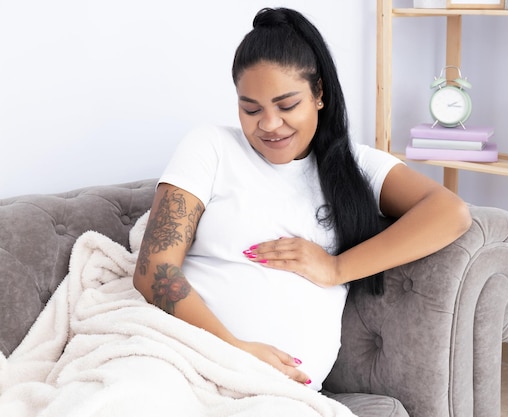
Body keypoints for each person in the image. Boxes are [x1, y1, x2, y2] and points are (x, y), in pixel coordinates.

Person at [133, 6, 471, 415]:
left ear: (319, 93)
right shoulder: (210, 147)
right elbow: (155, 269)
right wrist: (236, 351)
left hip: (284, 392)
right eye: (251, 109)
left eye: (287, 104)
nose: (269, 124)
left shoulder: (357, 166)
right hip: (189, 353)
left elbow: (451, 213)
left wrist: (335, 268)